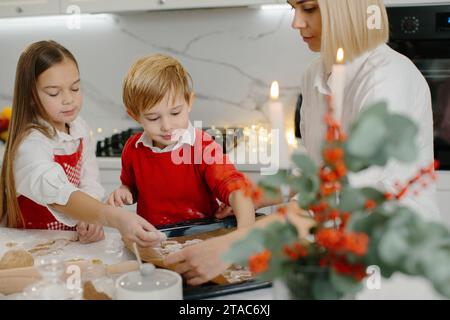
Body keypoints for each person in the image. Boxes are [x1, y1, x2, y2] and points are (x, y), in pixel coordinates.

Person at [164, 0, 440, 285]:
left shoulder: (387, 77)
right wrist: (256, 194)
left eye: (309, 8)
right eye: (293, 8)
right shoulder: (314, 75)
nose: (296, 22)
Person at [0, 40, 163, 247]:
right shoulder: (29, 143)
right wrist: (111, 216)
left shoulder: (79, 128)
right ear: (31, 96)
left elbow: (89, 180)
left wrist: (90, 217)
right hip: (33, 246)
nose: (69, 99)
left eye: (75, 88)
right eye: (54, 92)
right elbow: (58, 193)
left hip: (72, 242)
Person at [107, 54, 256, 228]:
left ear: (189, 102)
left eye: (175, 113)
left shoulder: (202, 147)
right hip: (154, 240)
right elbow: (131, 186)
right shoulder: (133, 149)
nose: (167, 126)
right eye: (153, 118)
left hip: (201, 238)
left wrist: (245, 233)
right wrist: (125, 191)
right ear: (135, 116)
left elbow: (235, 189)